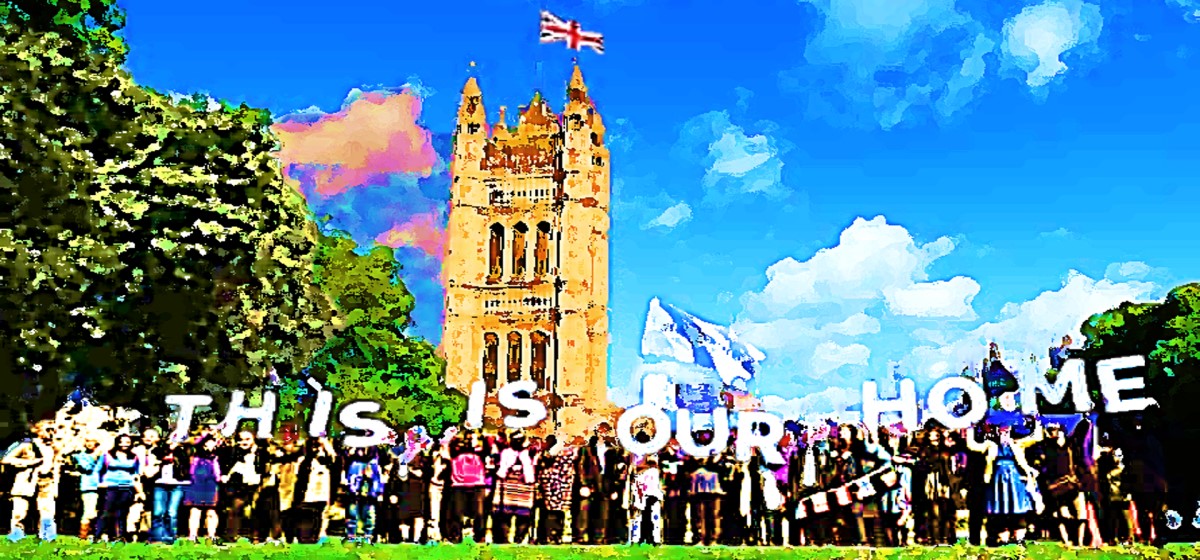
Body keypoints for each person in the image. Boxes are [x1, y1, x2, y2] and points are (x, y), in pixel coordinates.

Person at [94, 434, 144, 542]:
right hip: (110, 486)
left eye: (127, 442)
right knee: (106, 512)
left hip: (127, 487)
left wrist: (139, 490)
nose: (124, 444)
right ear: (117, 443)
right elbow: (97, 470)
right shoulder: (107, 455)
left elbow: (136, 473)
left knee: (122, 513)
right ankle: (98, 535)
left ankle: (120, 536)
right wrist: (99, 483)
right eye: (122, 442)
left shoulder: (134, 457)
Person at [183, 432, 222, 541]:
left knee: (211, 511)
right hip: (196, 484)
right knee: (195, 510)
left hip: (211, 485)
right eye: (208, 443)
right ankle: (192, 536)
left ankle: (211, 536)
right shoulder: (195, 455)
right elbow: (192, 443)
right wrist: (205, 436)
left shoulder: (217, 456)